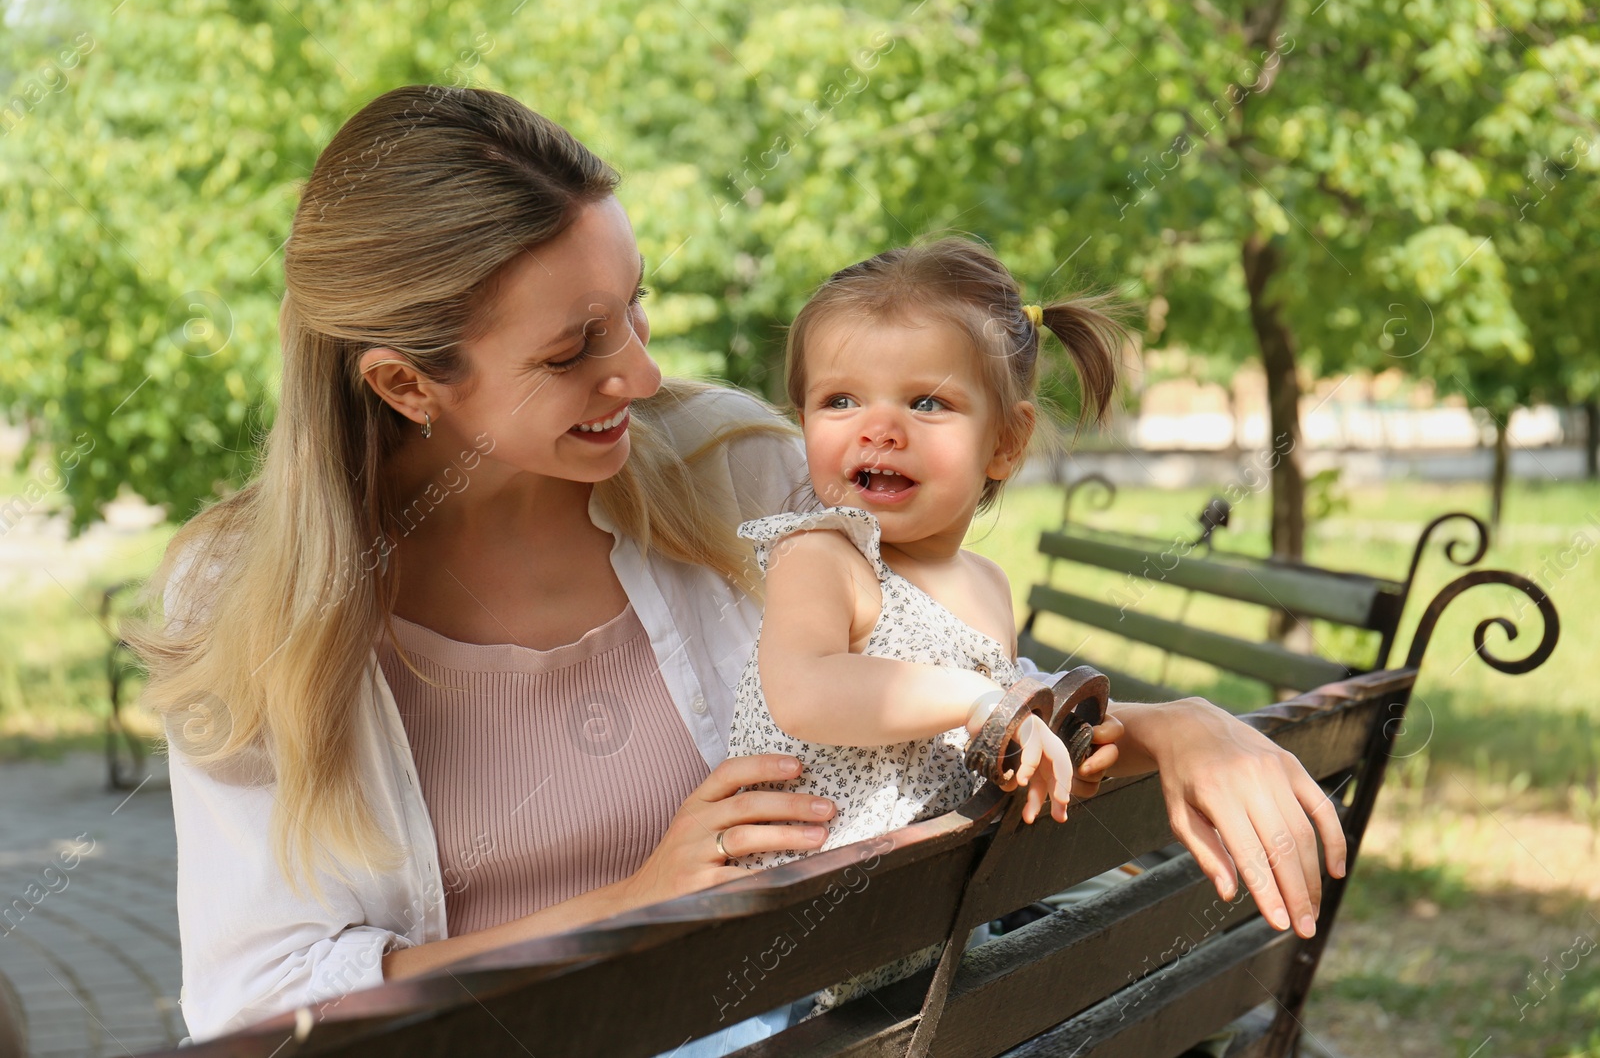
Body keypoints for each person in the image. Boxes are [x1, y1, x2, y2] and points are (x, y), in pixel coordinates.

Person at [126, 85, 1346, 1053]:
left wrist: (1173, 723)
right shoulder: (249, 604)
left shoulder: (726, 468)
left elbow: (934, 709)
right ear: (404, 383)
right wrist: (637, 900)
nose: (642, 376)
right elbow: (262, 1006)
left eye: (634, 311)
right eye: (573, 350)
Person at [723, 236, 1131, 1013]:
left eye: (926, 402)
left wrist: (1035, 741)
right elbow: (805, 689)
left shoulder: (986, 585)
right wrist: (979, 702)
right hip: (786, 944)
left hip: (917, 933)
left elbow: (975, 752)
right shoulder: (826, 554)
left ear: (1005, 441)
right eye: (840, 400)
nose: (878, 427)